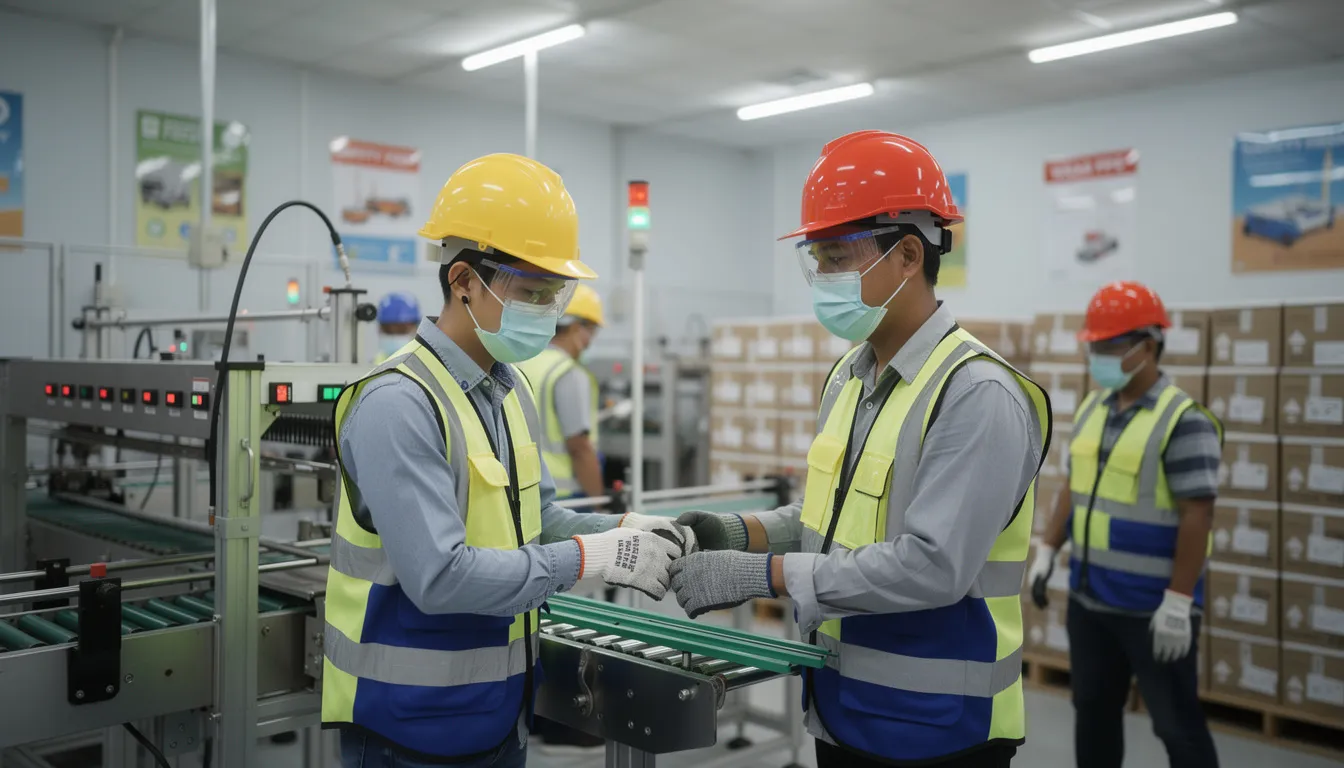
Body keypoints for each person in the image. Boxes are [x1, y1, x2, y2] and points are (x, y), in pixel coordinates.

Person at [669, 130, 1051, 768]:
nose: (823, 277)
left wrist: (765, 576)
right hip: (842, 709)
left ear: (908, 255)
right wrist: (739, 533)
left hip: (937, 732)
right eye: (817, 259)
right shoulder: (851, 377)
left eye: (838, 257)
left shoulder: (975, 394)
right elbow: (832, 517)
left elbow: (933, 565)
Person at [321, 153, 696, 768]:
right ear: (464, 280)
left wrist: (626, 531)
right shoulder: (398, 402)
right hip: (409, 726)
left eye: (555, 295)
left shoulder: (508, 388)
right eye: (531, 293)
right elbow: (438, 577)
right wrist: (592, 558)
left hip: (501, 714)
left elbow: (538, 518)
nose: (547, 312)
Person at [1027, 281, 1222, 768]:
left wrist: (1179, 602)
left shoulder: (1184, 420)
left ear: (1148, 346)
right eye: (1094, 347)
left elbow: (1197, 513)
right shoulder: (1093, 408)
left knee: (1176, 726)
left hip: (1153, 610)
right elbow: (1074, 487)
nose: (1098, 358)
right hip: (1091, 602)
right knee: (1093, 713)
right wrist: (1047, 551)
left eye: (1109, 347)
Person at [516, 284, 605, 500]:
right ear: (576, 327)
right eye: (591, 331)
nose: (590, 341)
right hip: (563, 495)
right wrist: (599, 501)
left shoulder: (519, 362)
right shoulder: (568, 373)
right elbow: (579, 448)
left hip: (523, 488)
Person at [374, 292, 421, 363]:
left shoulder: (425, 365)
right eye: (388, 329)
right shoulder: (371, 366)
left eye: (402, 329)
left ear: (416, 328)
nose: (395, 336)